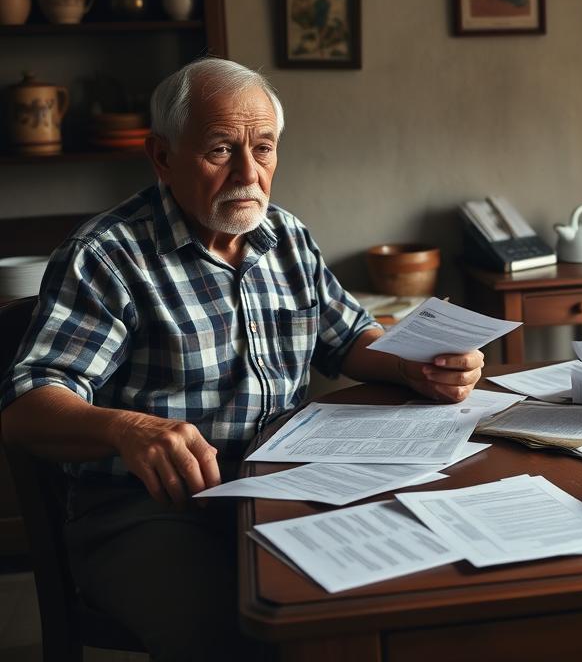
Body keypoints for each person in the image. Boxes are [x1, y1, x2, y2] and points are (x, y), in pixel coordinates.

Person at [0, 57, 485, 661]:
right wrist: (126, 428)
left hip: (286, 485)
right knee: (236, 639)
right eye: (221, 150)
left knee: (402, 592)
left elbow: (348, 340)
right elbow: (28, 407)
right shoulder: (108, 257)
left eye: (264, 148)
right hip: (151, 510)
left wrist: (414, 363)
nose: (248, 174)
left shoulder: (286, 236)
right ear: (161, 156)